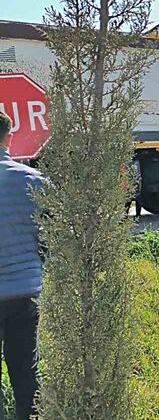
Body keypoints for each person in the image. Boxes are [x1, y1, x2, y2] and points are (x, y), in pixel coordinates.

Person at [0, 111, 45, 419]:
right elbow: (54, 233)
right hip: (23, 293)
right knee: (26, 375)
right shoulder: (33, 181)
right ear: (9, 137)